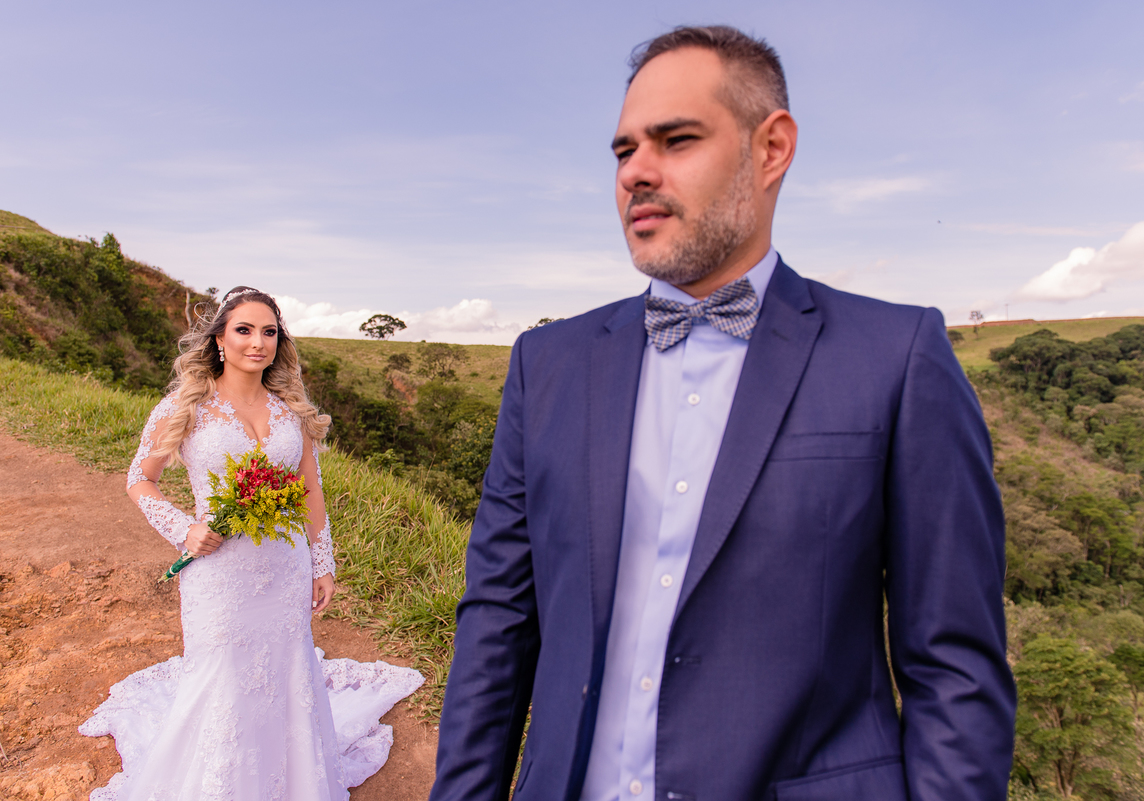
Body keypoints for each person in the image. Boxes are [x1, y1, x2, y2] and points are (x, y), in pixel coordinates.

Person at [431, 26, 1016, 801]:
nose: (636, 172)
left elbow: (955, 669)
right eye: (622, 151)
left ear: (770, 149)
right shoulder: (547, 364)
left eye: (675, 140)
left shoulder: (897, 356)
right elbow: (497, 623)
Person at [80, 286, 423, 800]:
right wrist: (184, 528)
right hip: (218, 573)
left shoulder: (291, 411)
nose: (257, 342)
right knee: (222, 680)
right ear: (220, 338)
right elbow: (139, 479)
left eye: (269, 332)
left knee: (286, 673)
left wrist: (321, 563)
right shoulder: (185, 406)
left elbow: (311, 488)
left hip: (283, 569)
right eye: (244, 330)